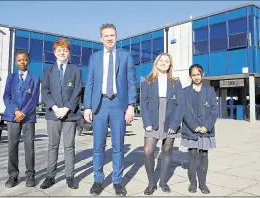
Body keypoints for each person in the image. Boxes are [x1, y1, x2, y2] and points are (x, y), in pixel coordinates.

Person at [83, 23, 137, 197]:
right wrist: (87, 106)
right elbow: (89, 83)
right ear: (101, 38)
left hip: (118, 105)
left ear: (116, 36)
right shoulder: (95, 57)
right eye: (106, 35)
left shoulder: (125, 56)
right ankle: (98, 180)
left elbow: (131, 82)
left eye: (112, 35)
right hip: (99, 105)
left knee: (118, 147)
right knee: (98, 146)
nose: (109, 38)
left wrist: (131, 105)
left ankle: (117, 181)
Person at [40, 38, 83, 189]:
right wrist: (54, 107)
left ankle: (70, 176)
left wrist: (67, 108)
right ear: (54, 52)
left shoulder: (76, 70)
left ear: (69, 52)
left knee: (69, 146)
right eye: (59, 50)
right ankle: (50, 176)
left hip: (70, 114)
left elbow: (78, 90)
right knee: (53, 146)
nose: (62, 52)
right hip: (53, 114)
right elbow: (45, 91)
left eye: (65, 50)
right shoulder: (48, 70)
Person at [140, 53, 183, 195]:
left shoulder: (175, 82)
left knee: (166, 150)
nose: (164, 63)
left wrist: (175, 124)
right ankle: (151, 183)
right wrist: (146, 122)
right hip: (152, 119)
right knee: (148, 151)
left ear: (170, 65)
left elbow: (180, 105)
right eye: (162, 61)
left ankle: (163, 182)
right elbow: (143, 104)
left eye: (167, 61)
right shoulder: (147, 81)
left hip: (171, 119)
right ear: (156, 62)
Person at [2, 50, 40, 188]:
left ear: (28, 60)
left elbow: (35, 98)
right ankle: (13, 175)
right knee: (12, 146)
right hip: (12, 116)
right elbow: (6, 97)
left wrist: (23, 112)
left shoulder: (35, 78)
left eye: (24, 59)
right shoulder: (11, 78)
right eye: (19, 60)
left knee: (29, 147)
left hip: (28, 117)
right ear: (15, 62)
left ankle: (30, 175)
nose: (22, 62)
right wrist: (16, 111)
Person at [181, 64, 218, 194]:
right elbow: (183, 111)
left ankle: (203, 184)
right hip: (191, 129)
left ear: (203, 74)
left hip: (206, 130)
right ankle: (193, 184)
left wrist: (206, 127)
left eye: (198, 74)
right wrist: (194, 126)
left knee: (203, 155)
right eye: (194, 75)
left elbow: (214, 110)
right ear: (190, 76)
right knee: (191, 155)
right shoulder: (184, 91)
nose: (196, 77)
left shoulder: (210, 90)